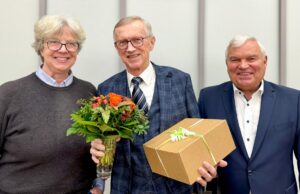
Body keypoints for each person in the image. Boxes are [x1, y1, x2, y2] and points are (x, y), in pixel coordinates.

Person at [90, 16, 226, 194]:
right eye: (123, 42)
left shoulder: (179, 80)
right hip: (128, 188)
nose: (130, 48)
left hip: (178, 187)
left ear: (151, 42)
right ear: (117, 48)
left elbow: (197, 134)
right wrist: (98, 147)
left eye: (137, 40)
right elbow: (102, 143)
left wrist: (208, 165)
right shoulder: (106, 89)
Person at [0, 15, 102, 194]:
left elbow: (97, 147)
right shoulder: (8, 94)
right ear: (41, 47)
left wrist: (98, 186)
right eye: (54, 42)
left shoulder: (88, 92)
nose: (63, 50)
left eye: (71, 44)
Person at [198, 35, 300, 194]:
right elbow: (200, 154)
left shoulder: (293, 100)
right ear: (227, 64)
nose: (243, 66)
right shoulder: (208, 98)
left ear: (265, 61)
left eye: (251, 58)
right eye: (235, 60)